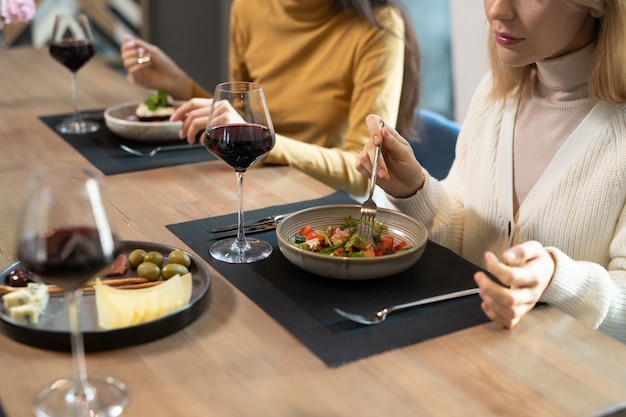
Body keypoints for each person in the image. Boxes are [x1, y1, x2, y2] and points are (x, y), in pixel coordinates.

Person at [355, 0, 626, 342]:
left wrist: (558, 279)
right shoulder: (494, 95)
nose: (497, 10)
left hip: (572, 383)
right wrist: (414, 191)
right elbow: (467, 240)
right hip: (476, 353)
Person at [121, 0, 420, 197]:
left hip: (328, 202)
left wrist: (268, 144)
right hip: (260, 186)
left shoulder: (379, 26)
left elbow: (362, 171)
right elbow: (243, 119)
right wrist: (178, 84)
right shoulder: (249, 7)